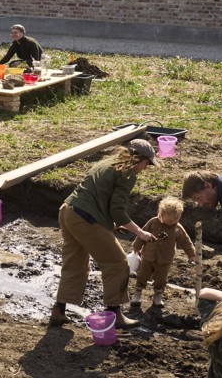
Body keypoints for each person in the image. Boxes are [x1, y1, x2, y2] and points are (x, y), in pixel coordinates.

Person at [50, 138, 161, 327]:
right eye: (147, 164)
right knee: (117, 263)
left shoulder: (105, 162)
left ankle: (58, 311)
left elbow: (99, 198)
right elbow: (117, 210)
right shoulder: (127, 172)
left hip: (68, 211)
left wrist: (110, 224)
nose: (145, 169)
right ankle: (114, 313)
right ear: (138, 159)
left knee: (74, 263)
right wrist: (140, 232)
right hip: (85, 218)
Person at [131, 196, 198, 313]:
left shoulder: (177, 228)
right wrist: (136, 246)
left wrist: (192, 254)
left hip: (165, 260)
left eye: (175, 220)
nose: (171, 223)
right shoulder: (153, 223)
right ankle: (137, 293)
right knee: (143, 275)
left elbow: (186, 242)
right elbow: (142, 234)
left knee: (161, 279)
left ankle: (158, 295)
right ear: (161, 214)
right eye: (169, 221)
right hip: (148, 256)